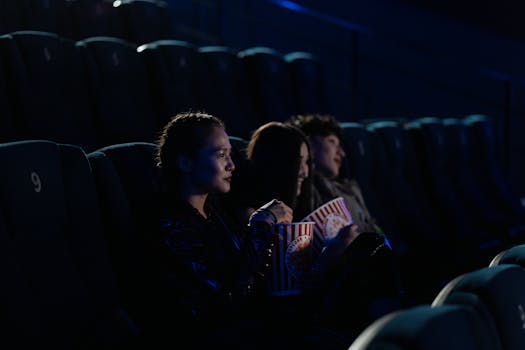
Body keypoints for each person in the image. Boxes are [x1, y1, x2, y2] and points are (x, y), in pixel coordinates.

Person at [151, 112, 356, 349]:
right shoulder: (171, 224)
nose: (231, 165)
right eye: (221, 155)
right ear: (185, 161)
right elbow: (228, 297)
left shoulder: (213, 213)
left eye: (230, 154)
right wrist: (262, 224)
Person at [228, 121, 405, 342]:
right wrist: (329, 257)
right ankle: (392, 336)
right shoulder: (255, 214)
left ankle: (394, 332)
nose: (304, 171)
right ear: (278, 163)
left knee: (372, 246)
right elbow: (271, 287)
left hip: (312, 300)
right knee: (369, 250)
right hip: (285, 314)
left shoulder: (300, 204)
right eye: (298, 162)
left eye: (308, 162)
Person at [286, 114, 382, 234]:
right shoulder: (306, 188)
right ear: (309, 144)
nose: (341, 153)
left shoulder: (351, 187)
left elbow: (373, 226)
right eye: (332, 142)